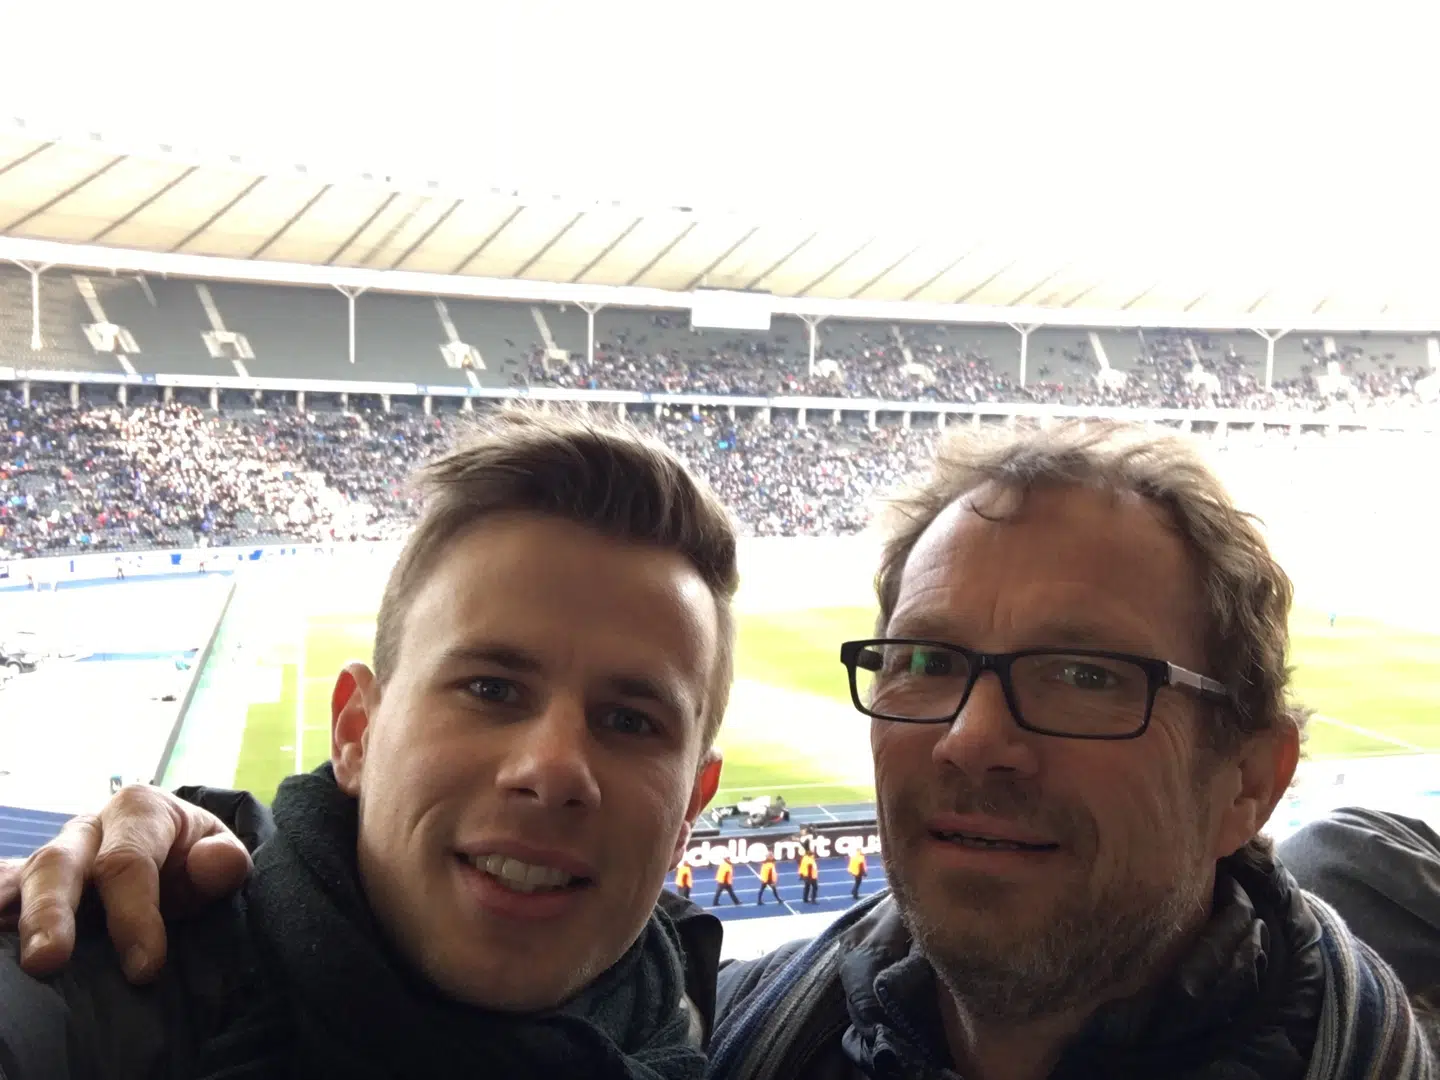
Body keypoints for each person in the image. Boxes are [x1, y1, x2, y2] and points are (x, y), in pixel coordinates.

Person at [7, 422, 1438, 1079]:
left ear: (1252, 778)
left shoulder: (1359, 1050)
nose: (977, 736)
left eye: (1083, 676)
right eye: (931, 663)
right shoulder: (751, 1029)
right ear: (357, 731)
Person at [0, 409, 742, 1080]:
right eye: (491, 689)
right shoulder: (111, 988)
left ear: (690, 808)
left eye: (631, 722)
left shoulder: (729, 1027)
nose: (550, 770)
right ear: (356, 733)